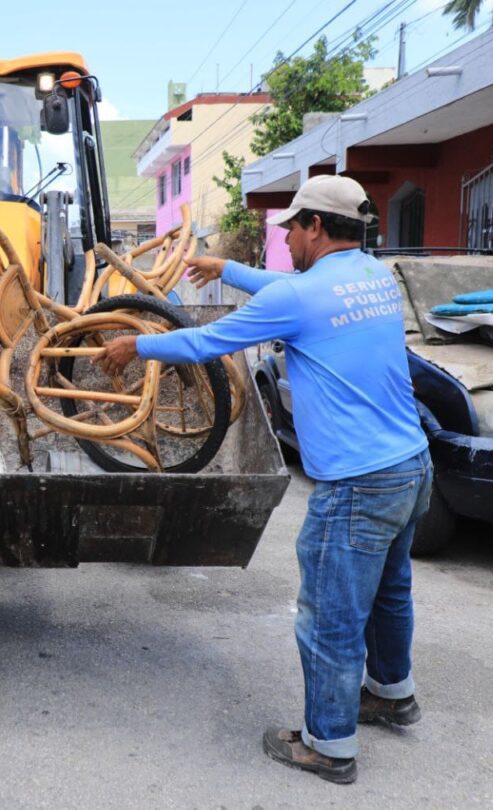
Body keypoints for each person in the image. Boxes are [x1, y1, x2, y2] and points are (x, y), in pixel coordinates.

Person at [98, 175, 431, 785]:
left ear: (317, 228)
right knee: (390, 593)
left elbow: (206, 342)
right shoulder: (374, 278)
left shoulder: (304, 297)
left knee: (330, 614)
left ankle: (329, 746)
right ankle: (392, 694)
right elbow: (292, 289)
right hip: (410, 467)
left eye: (292, 231)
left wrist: (137, 344)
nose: (288, 243)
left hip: (357, 485)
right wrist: (226, 267)